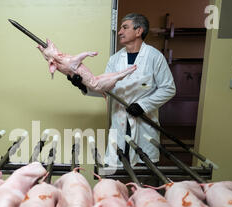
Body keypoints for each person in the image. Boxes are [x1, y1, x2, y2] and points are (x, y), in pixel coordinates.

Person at [69, 13, 176, 167]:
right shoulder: (115, 59)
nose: (119, 32)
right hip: (119, 125)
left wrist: (143, 106)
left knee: (144, 173)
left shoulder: (154, 57)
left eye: (125, 27)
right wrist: (83, 86)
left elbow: (168, 88)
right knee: (116, 173)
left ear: (138, 31)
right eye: (120, 28)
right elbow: (106, 89)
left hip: (143, 126)